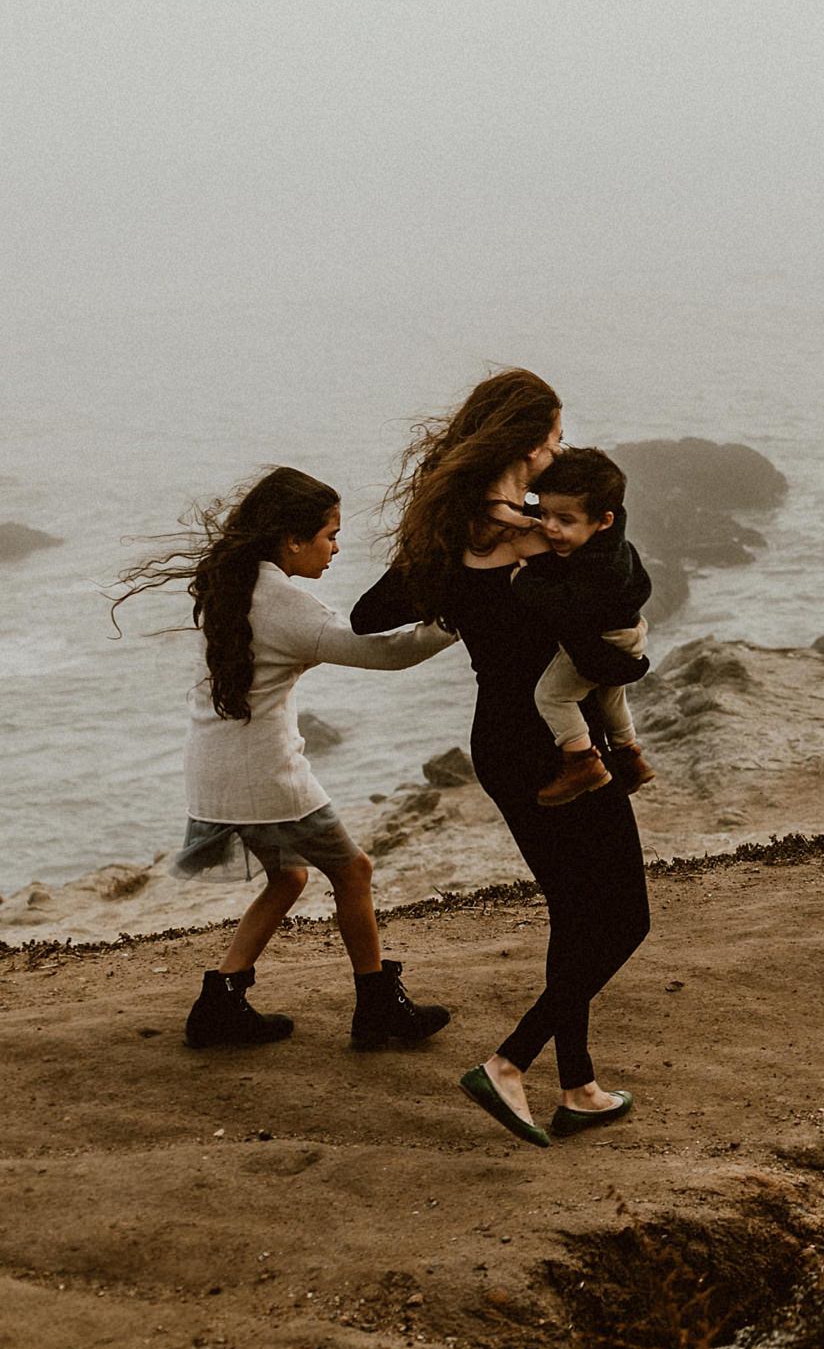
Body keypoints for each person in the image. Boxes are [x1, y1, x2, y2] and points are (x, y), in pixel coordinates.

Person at [352, 370, 650, 1146]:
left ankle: (578, 1086)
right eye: (554, 438)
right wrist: (627, 660)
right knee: (624, 917)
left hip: (498, 740)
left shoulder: (453, 534)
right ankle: (510, 1062)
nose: (559, 452)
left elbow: (369, 614)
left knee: (575, 912)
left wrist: (459, 599)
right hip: (556, 742)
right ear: (526, 443)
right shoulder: (539, 536)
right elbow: (619, 601)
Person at [112, 467, 457, 1050]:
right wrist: (456, 621)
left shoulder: (232, 583)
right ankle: (378, 1008)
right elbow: (385, 653)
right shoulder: (283, 603)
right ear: (293, 540)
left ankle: (220, 1004)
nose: (336, 548)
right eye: (329, 535)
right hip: (265, 775)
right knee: (354, 871)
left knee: (289, 876)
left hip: (217, 767)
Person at [510, 447, 657, 807]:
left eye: (565, 520)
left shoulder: (600, 567)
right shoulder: (612, 540)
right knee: (610, 698)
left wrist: (523, 581)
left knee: (553, 696)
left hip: (607, 639)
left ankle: (581, 763)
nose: (550, 527)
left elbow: (565, 606)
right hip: (630, 632)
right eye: (544, 513)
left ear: (603, 520)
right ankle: (630, 756)